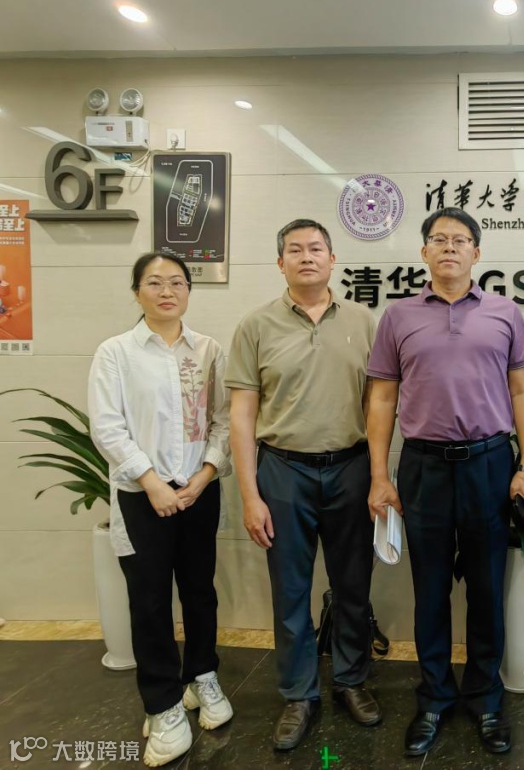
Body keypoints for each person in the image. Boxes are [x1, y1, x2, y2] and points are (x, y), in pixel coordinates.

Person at [366, 207, 524, 757]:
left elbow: (523, 391)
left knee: (486, 587)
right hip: (424, 466)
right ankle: (434, 697)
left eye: (460, 240)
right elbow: (382, 398)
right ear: (423, 252)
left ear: (476, 252)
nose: (449, 248)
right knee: (431, 588)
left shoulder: (505, 312)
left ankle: (486, 698)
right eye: (438, 240)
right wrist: (379, 475)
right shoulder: (398, 316)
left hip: (490, 463)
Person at [226, 219, 381, 751]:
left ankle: (352, 680)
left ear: (333, 260)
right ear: (280, 263)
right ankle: (298, 693)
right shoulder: (256, 326)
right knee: (290, 589)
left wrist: (377, 475)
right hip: (282, 470)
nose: (307, 257)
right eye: (295, 250)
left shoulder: (363, 321)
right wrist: (250, 494)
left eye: (316, 248)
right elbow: (242, 415)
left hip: (350, 467)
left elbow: (378, 404)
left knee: (353, 584)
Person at [88, 252, 233, 768]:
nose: (166, 291)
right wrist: (151, 482)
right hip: (141, 494)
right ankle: (163, 704)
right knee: (149, 601)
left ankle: (202, 676)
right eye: (154, 282)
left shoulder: (209, 350)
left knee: (200, 592)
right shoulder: (116, 353)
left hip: (198, 489)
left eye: (176, 282)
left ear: (189, 290)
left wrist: (204, 475)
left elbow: (222, 421)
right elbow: (107, 427)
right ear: (137, 292)